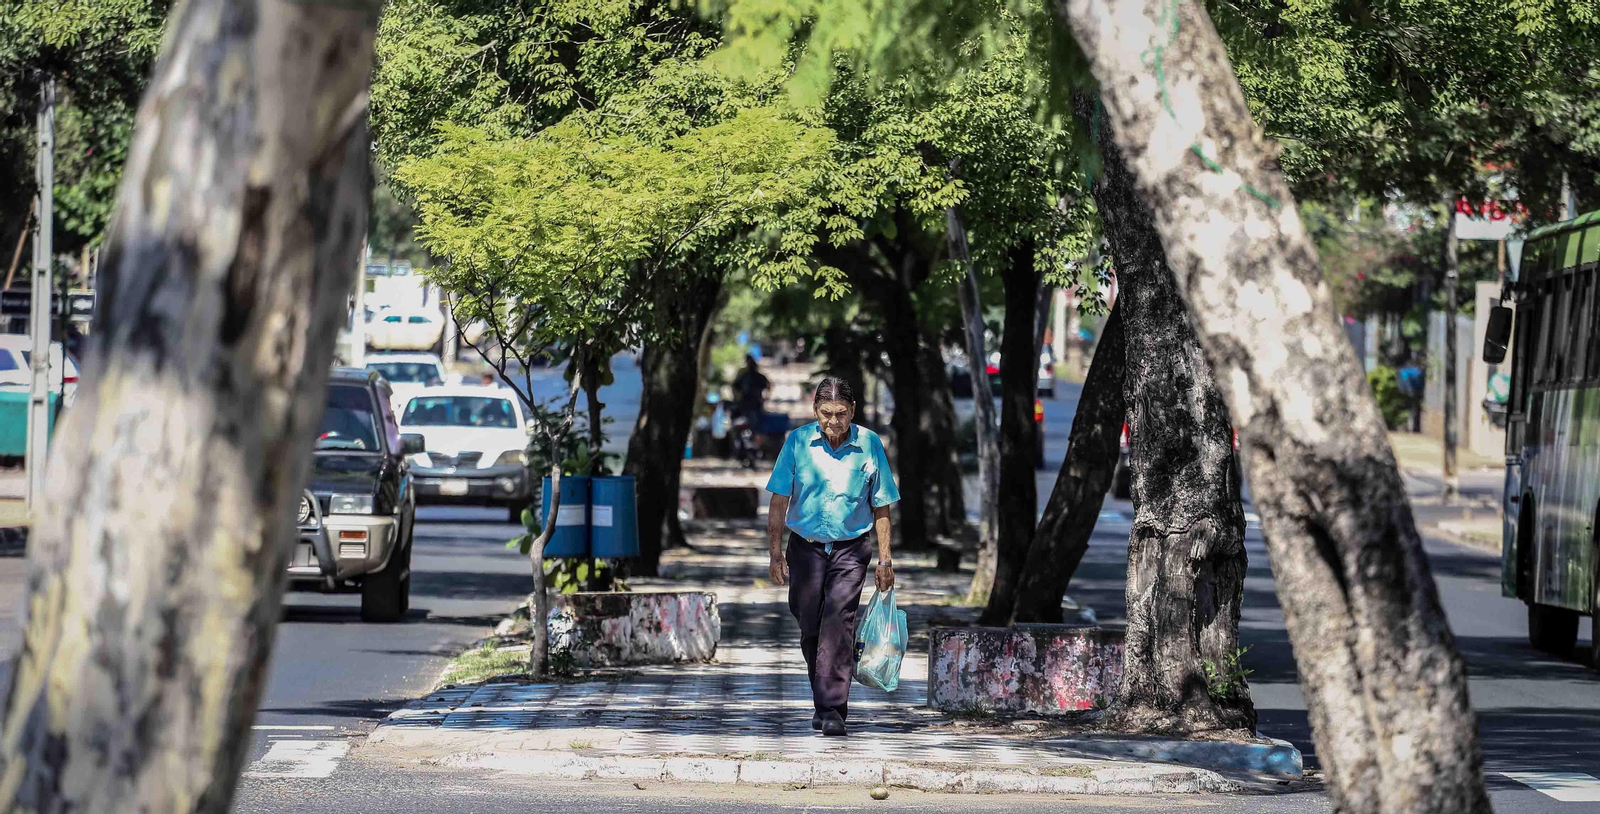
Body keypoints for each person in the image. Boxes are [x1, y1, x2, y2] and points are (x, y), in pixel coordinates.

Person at [764, 377, 899, 737]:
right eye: (826, 414)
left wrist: (885, 561)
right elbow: (778, 501)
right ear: (815, 410)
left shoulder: (869, 444)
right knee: (811, 625)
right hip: (805, 548)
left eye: (841, 414)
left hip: (851, 549)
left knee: (839, 625)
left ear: (852, 411)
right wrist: (775, 554)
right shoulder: (796, 443)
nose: (833, 422)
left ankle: (832, 711)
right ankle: (823, 698)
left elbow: (882, 504)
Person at [733, 355, 770, 421]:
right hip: (747, 401)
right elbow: (735, 386)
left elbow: (768, 386)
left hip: (754, 402)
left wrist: (765, 397)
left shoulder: (758, 377)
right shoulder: (744, 375)